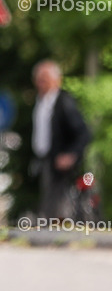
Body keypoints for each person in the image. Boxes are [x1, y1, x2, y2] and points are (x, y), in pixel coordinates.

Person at [30, 60, 91, 219]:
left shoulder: (64, 101)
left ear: (57, 79)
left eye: (45, 77)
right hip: (46, 160)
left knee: (60, 207)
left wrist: (71, 154)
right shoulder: (41, 102)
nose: (41, 81)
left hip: (62, 163)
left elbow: (83, 132)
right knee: (49, 204)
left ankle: (61, 238)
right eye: (39, 77)